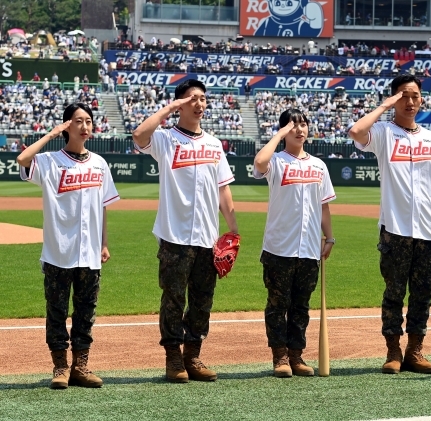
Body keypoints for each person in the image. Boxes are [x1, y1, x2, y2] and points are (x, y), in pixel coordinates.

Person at [132, 79, 239, 383]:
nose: (199, 104)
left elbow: (224, 191)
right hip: (174, 237)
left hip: (208, 238)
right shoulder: (166, 140)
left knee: (203, 299)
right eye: (192, 98)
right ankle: (173, 359)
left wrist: (233, 232)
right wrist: (169, 108)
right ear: (180, 104)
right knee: (173, 299)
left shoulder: (214, 144)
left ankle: (193, 355)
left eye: (203, 98)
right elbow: (139, 135)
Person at [348, 75, 431, 375]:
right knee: (394, 293)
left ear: (422, 99)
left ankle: (415, 351)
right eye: (403, 96)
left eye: (415, 96)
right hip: (395, 231)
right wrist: (385, 106)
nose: (410, 102)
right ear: (395, 99)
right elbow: (356, 131)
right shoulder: (383, 132)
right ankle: (393, 350)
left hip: (429, 232)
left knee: (424, 294)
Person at [16, 103, 120, 389]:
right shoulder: (50, 161)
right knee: (57, 311)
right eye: (78, 121)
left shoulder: (99, 163)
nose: (85, 126)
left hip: (90, 253)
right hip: (58, 252)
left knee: (86, 311)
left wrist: (104, 243)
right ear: (67, 126)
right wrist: (52, 134)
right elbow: (23, 159)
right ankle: (60, 367)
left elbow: (103, 208)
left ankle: (81, 367)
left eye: (88, 120)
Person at [253, 109, 336, 378]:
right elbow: (259, 162)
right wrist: (279, 133)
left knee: (301, 306)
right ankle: (280, 357)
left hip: (309, 249)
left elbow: (324, 207)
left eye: (303, 125)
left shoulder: (319, 165)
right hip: (279, 248)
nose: (299, 130)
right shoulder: (277, 161)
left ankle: (296, 355)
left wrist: (330, 236)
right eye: (293, 126)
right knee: (278, 305)